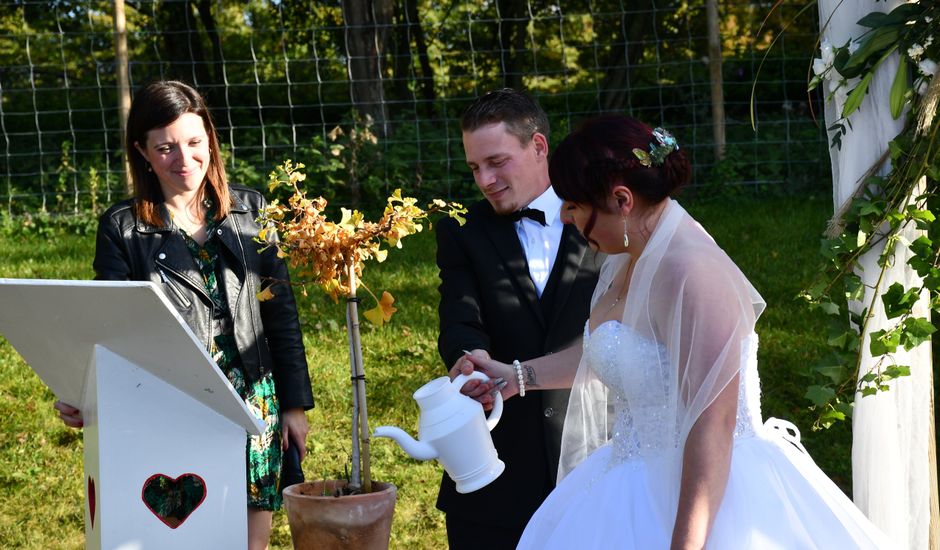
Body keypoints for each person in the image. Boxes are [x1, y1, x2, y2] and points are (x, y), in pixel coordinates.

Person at [459, 115, 892, 549]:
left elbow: (713, 424)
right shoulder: (630, 253)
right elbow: (614, 351)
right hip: (627, 479)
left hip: (709, 490)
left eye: (574, 206)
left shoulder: (693, 272)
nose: (567, 218)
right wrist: (516, 377)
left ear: (622, 200)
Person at [52, 80, 314, 550]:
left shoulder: (251, 211)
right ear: (143, 152)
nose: (185, 159)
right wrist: (81, 393)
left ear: (210, 138)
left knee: (252, 534)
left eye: (195, 142)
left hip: (254, 400)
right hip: (172, 400)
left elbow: (283, 317)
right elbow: (106, 325)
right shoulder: (122, 228)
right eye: (166, 147)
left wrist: (293, 406)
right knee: (180, 534)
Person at [434, 88, 602, 549]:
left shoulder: (602, 216)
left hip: (594, 457)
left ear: (539, 146)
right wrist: (471, 360)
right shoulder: (461, 230)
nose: (484, 180)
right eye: (474, 168)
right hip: (496, 470)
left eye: (497, 161)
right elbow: (459, 315)